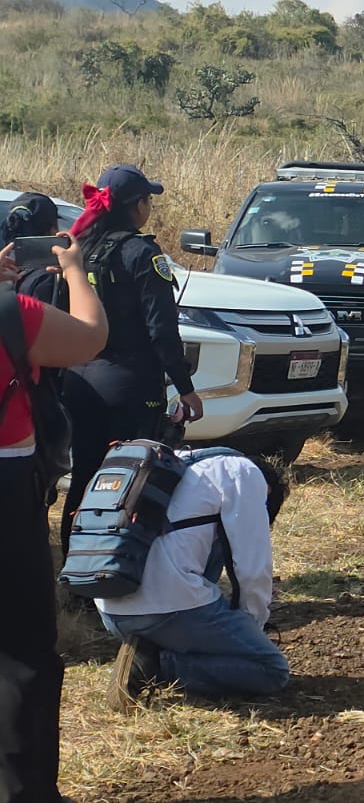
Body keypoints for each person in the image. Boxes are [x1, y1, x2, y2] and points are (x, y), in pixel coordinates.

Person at [0, 233, 108, 803]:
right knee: (21, 648)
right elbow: (90, 338)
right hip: (7, 486)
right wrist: (74, 272)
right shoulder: (10, 311)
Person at [62, 166, 201, 557]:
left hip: (80, 382)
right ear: (136, 206)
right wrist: (186, 389)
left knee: (85, 475)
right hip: (131, 386)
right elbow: (161, 332)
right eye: (148, 200)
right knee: (134, 481)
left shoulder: (79, 249)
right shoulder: (141, 253)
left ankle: (75, 570)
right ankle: (121, 567)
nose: (150, 207)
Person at [100, 452, 292, 709]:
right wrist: (253, 625)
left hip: (111, 608)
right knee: (271, 669)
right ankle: (156, 664)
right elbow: (252, 569)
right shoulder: (243, 473)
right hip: (167, 610)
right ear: (267, 492)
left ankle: (150, 645)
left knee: (208, 540)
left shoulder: (177, 464)